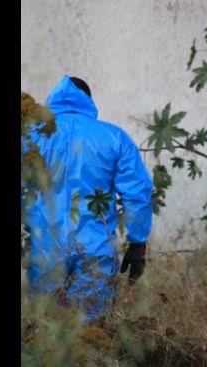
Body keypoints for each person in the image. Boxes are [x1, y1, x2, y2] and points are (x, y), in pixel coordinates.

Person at [24, 75, 153, 321]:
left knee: (46, 328)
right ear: (88, 101)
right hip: (95, 246)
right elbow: (137, 193)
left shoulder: (30, 137)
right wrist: (138, 244)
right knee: (92, 329)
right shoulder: (113, 137)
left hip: (45, 246)